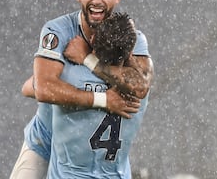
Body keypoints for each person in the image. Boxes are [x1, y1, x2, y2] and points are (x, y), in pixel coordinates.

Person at [12, 0, 153, 178]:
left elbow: (141, 86)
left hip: (80, 161)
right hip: (46, 140)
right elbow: (41, 89)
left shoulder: (131, 38)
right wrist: (104, 100)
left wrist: (88, 60)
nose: (96, 0)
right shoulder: (58, 31)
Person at [10, 12, 141, 179]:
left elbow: (30, 88)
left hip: (56, 153)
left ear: (92, 41)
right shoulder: (137, 88)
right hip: (109, 170)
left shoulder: (69, 73)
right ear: (131, 52)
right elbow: (139, 81)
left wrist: (94, 94)